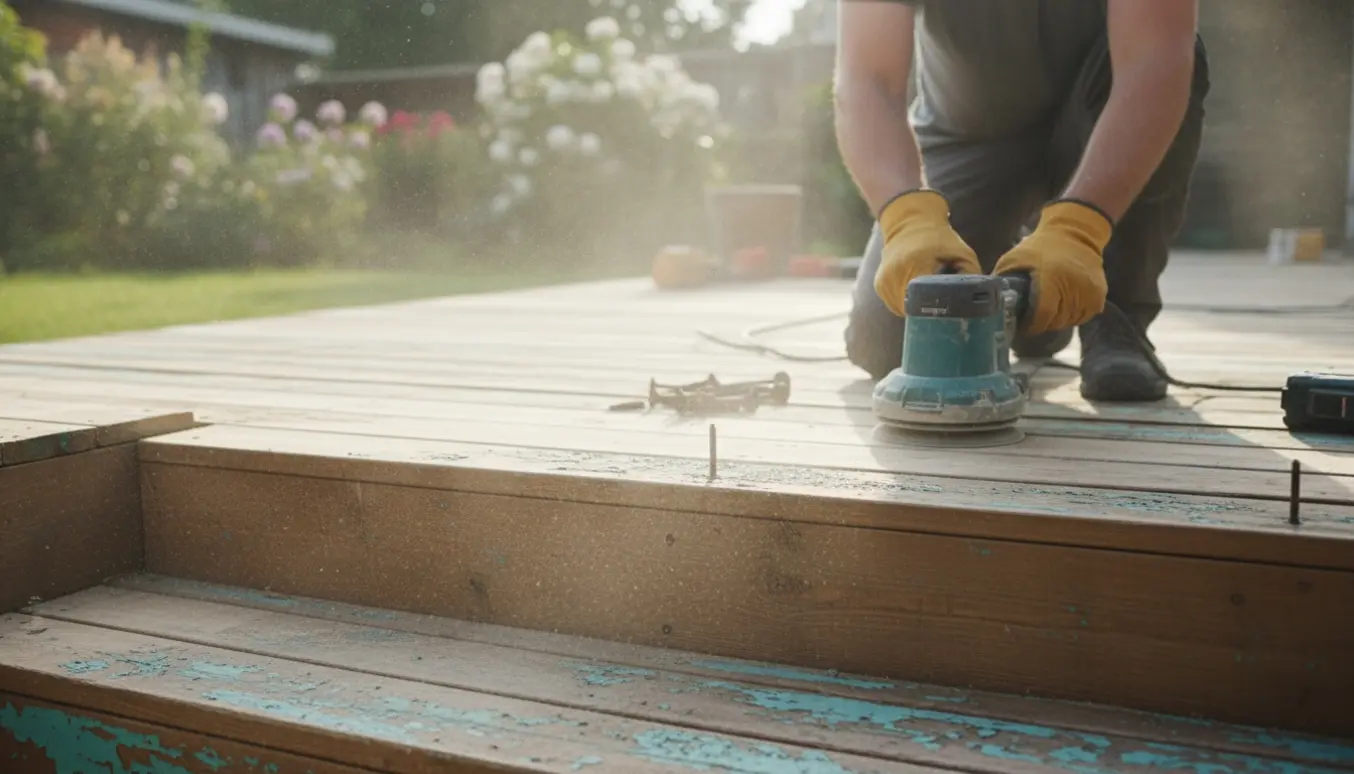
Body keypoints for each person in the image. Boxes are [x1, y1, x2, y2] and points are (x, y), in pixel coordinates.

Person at [834, 0, 1209, 402]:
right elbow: (867, 78)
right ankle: (1037, 302)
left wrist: (1077, 232)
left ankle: (1115, 317)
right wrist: (906, 219)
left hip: (1098, 122)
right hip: (967, 138)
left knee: (1179, 55)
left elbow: (1155, 59)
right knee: (885, 340)